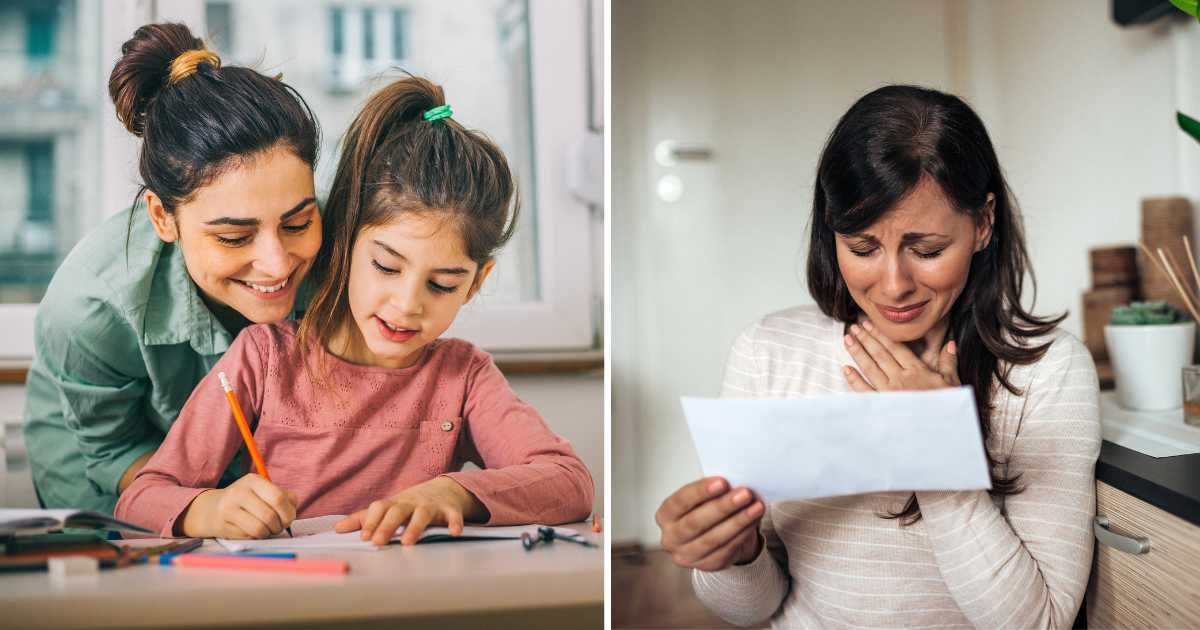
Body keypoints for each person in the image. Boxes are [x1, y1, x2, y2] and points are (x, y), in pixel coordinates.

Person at [655, 85, 1099, 628]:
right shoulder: (767, 352)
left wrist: (936, 453)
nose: (894, 285)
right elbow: (751, 609)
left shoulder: (1048, 372)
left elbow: (1041, 622)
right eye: (863, 248)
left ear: (983, 224)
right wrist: (734, 553)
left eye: (928, 250)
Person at [115, 76, 594, 544]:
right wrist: (209, 509)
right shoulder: (264, 358)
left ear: (476, 283)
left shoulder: (463, 376)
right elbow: (141, 496)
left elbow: (569, 482)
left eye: (442, 284)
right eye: (386, 267)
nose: (408, 305)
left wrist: (451, 492)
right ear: (344, 244)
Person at [23, 23, 322, 513]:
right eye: (233, 236)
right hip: (109, 465)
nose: (276, 263)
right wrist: (204, 507)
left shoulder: (351, 249)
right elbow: (113, 450)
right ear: (164, 217)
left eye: (297, 223)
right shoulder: (90, 307)